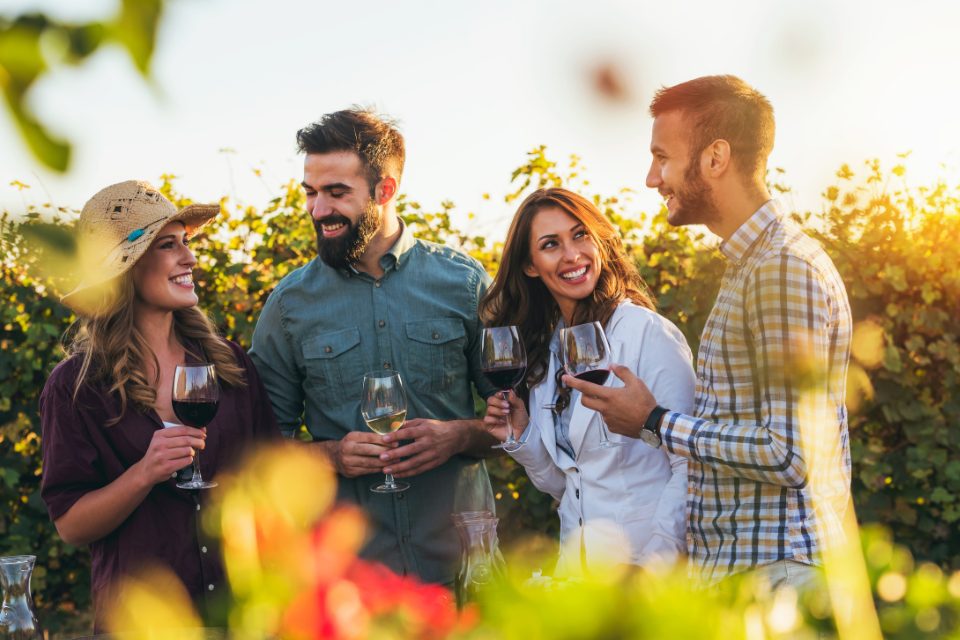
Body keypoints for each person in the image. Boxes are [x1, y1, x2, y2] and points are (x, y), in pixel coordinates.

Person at [565, 75, 853, 589]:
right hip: (751, 571)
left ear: (715, 158)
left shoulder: (780, 269)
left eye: (662, 157)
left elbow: (791, 453)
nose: (652, 178)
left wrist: (654, 420)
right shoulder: (750, 265)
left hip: (776, 574)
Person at [249, 108, 498, 585]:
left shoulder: (464, 284)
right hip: (351, 587)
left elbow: (521, 421)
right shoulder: (288, 305)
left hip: (463, 572)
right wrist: (333, 457)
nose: (319, 210)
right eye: (311, 193)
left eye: (336, 193)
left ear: (385, 189)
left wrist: (458, 437)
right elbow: (262, 451)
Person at [39, 180, 280, 632]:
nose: (189, 257)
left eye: (186, 243)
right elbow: (71, 525)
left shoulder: (228, 364)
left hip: (240, 618)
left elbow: (269, 475)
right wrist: (144, 473)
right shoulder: (75, 388)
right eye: (168, 245)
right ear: (124, 270)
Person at [481, 187, 696, 574]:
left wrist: (654, 568)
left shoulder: (647, 334)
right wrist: (523, 434)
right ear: (530, 266)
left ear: (599, 241)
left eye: (580, 235)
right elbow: (568, 486)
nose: (571, 255)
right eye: (550, 244)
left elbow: (690, 467)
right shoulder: (552, 351)